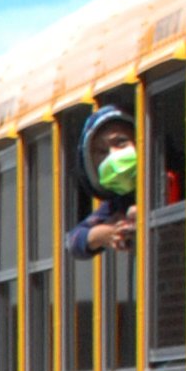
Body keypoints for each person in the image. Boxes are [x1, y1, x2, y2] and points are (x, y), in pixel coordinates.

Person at [68, 103, 140, 257]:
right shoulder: (118, 203)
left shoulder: (166, 176)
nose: (113, 155)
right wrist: (108, 233)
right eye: (102, 151)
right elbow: (74, 241)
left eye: (121, 142)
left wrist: (147, 213)